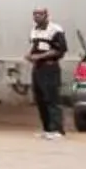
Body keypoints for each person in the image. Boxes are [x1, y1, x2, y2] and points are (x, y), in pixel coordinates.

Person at [24, 7, 72, 139]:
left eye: (40, 14)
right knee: (40, 99)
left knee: (52, 98)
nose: (37, 16)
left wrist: (40, 57)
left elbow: (60, 50)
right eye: (35, 14)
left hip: (49, 68)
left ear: (46, 15)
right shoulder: (34, 30)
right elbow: (36, 46)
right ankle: (47, 128)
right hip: (37, 68)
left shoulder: (55, 30)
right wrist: (30, 55)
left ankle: (57, 129)